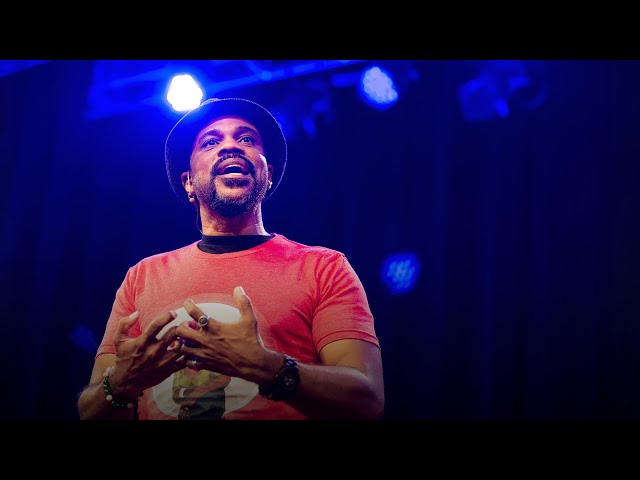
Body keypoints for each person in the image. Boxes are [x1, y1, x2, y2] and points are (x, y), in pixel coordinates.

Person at [77, 97, 384, 420]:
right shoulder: (142, 277)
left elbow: (367, 401)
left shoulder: (323, 268)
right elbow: (89, 411)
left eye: (247, 139)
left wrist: (267, 367)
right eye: (210, 142)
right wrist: (122, 382)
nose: (230, 146)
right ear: (189, 182)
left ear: (267, 175)